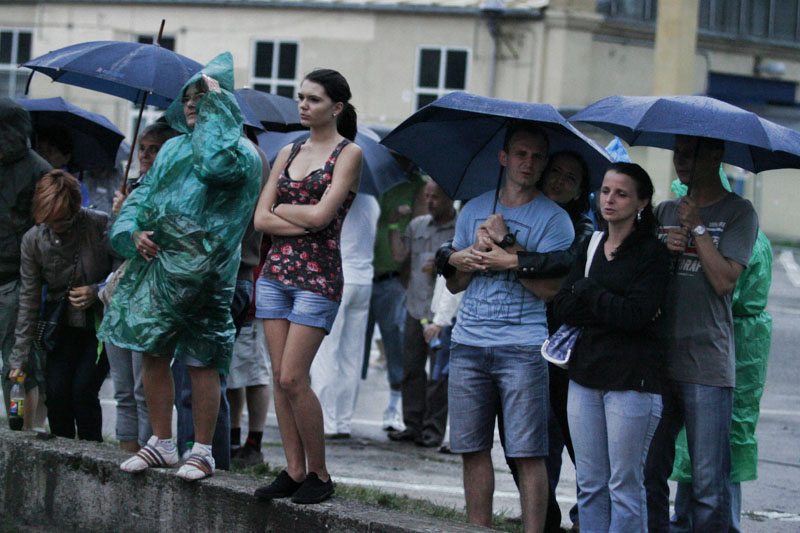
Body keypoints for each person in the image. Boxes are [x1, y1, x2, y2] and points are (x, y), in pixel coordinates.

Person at [98, 52, 262, 481]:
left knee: (202, 360)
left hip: (208, 277)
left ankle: (203, 450)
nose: (192, 104)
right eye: (188, 98)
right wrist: (132, 231)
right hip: (159, 271)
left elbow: (214, 167)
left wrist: (215, 116)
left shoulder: (242, 154)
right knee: (153, 351)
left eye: (202, 98)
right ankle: (163, 443)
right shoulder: (171, 148)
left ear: (224, 105)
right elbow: (144, 193)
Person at [445, 122, 574, 532]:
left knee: (527, 452)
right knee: (472, 448)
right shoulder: (473, 209)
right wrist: (467, 255)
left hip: (521, 345)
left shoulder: (555, 220)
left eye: (537, 156)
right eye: (520, 153)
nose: (528, 163)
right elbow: (454, 283)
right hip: (468, 341)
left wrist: (507, 244)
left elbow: (551, 289)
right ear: (503, 157)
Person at [252, 68, 362, 505]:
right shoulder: (287, 151)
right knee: (280, 380)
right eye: (301, 97)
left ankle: (320, 473)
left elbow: (323, 218)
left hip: (318, 278)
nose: (303, 105)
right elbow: (260, 219)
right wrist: (299, 211)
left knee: (295, 377)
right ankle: (294, 470)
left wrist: (283, 206)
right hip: (275, 275)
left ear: (335, 107)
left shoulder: (348, 153)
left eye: (313, 99)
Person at [644, 135, 759, 532]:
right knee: (649, 470)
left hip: (706, 364)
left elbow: (726, 281)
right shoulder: (664, 211)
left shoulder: (739, 212)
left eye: (691, 154)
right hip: (658, 362)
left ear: (716, 155)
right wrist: (663, 250)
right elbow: (643, 281)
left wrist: (697, 231)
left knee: (709, 483)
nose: (682, 161)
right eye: (678, 152)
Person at [551, 162, 669, 531]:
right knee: (589, 484)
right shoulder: (591, 244)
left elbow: (636, 314)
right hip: (585, 376)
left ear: (642, 202)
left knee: (624, 485)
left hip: (632, 382)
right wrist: (603, 304)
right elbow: (562, 307)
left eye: (621, 193)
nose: (610, 199)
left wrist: (589, 293)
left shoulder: (652, 253)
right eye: (605, 191)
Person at [668, 172, 773, 533]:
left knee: (715, 454)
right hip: (720, 344)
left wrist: (698, 236)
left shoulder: (740, 223)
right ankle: (686, 521)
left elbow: (731, 285)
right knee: (699, 451)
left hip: (731, 345)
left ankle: (718, 525)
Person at [8, 170, 112, 441]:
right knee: (56, 393)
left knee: (83, 392)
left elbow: (124, 271)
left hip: (98, 325)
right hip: (60, 325)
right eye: (50, 221)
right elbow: (29, 299)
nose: (58, 226)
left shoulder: (99, 225)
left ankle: (92, 457)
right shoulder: (33, 239)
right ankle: (63, 457)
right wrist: (19, 358)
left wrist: (97, 291)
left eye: (64, 220)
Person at [103, 122, 179, 454]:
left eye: (154, 148)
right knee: (121, 388)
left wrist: (134, 223)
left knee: (143, 387)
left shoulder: (174, 188)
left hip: (151, 294)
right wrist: (119, 217)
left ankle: (151, 453)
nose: (145, 155)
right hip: (121, 290)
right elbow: (114, 247)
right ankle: (126, 451)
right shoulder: (132, 186)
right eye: (143, 148)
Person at [387, 181, 456, 448]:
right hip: (415, 307)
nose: (430, 202)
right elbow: (398, 256)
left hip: (441, 313)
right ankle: (411, 424)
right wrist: (394, 225)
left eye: (435, 197)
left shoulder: (460, 228)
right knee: (411, 369)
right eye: (426, 196)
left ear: (450, 199)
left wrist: (444, 262)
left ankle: (432, 430)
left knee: (438, 375)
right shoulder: (417, 226)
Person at [310, 192, 380, 439]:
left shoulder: (337, 199)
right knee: (352, 355)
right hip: (363, 280)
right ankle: (343, 421)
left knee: (326, 352)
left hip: (339, 278)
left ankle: (326, 421)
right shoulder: (372, 202)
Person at [0, 97, 52, 429]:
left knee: (18, 366)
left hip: (18, 281)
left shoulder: (39, 172)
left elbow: (47, 232)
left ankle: (21, 430)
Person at [362, 172, 427, 432]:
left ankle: (394, 406)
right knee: (354, 345)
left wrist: (405, 276)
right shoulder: (370, 181)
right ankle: (338, 410)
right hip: (363, 271)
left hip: (393, 277)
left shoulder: (417, 186)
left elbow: (421, 230)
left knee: (396, 341)